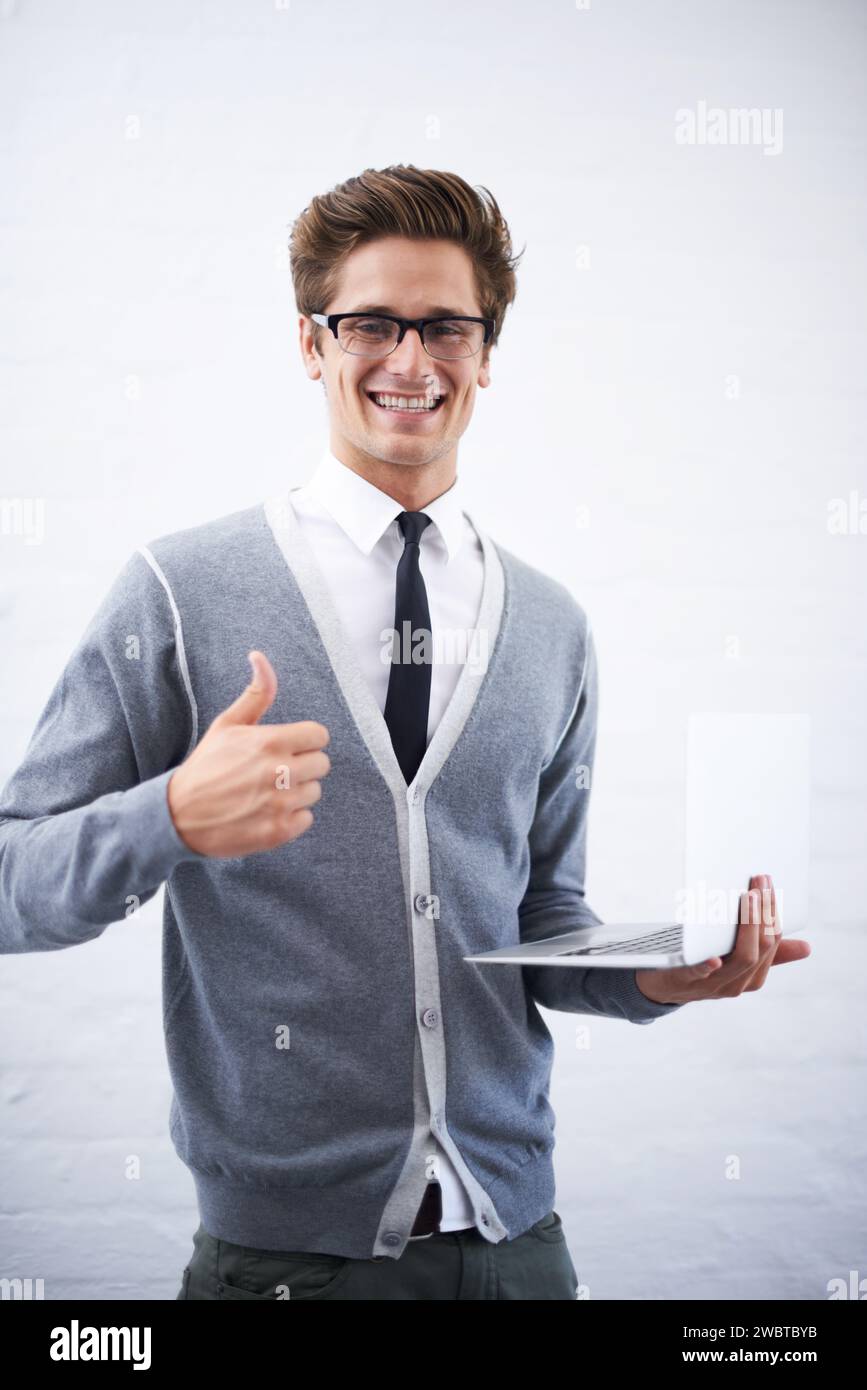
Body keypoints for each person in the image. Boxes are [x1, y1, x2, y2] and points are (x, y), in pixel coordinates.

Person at [0, 164, 810, 1301]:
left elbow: (540, 918)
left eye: (446, 328)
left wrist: (651, 983)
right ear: (310, 343)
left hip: (521, 1247)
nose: (411, 361)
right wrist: (170, 814)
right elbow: (9, 882)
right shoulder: (178, 592)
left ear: (487, 354)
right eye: (372, 323)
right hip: (288, 1262)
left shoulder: (554, 625)